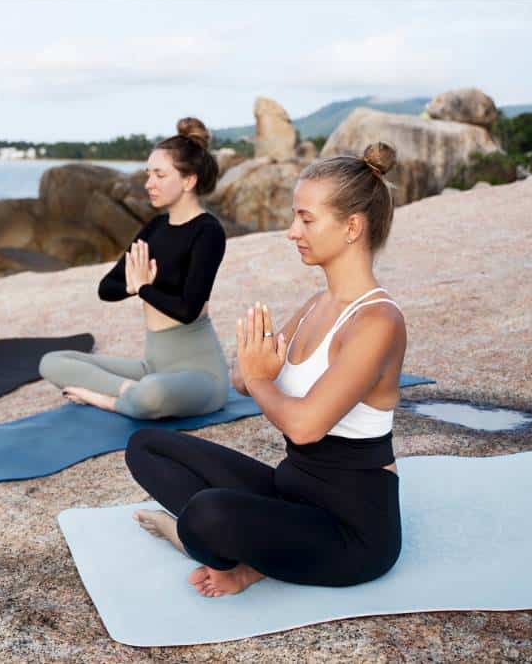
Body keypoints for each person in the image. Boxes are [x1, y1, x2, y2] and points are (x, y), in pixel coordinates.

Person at [125, 142, 406, 597]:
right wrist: (253, 367)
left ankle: (229, 554)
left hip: (350, 531)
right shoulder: (318, 304)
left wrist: (258, 378)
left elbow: (305, 427)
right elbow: (242, 378)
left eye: (306, 219)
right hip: (289, 491)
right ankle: (253, 552)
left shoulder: (377, 321)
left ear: (352, 227)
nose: (292, 231)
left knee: (205, 515)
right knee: (146, 446)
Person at [38, 118, 229, 419]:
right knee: (51, 362)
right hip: (152, 368)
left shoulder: (208, 232)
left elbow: (188, 309)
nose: (148, 183)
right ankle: (130, 392)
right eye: (148, 173)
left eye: (159, 175)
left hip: (200, 376)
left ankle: (108, 399)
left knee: (152, 394)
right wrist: (132, 284)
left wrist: (143, 288)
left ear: (188, 180)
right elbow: (107, 289)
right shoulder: (154, 228)